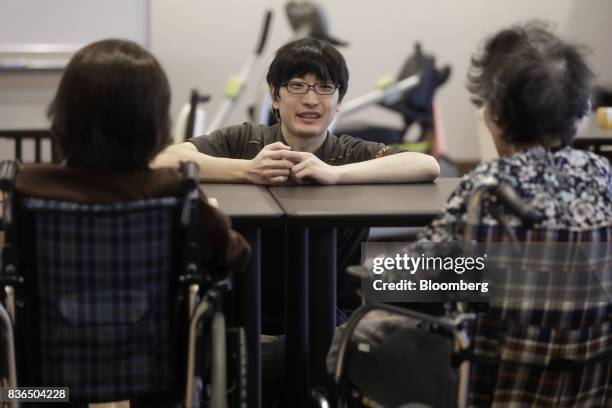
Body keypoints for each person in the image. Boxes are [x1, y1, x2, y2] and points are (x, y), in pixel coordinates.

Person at [328, 22, 612, 407]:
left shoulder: (489, 191)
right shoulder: (603, 176)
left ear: (495, 114)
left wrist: (371, 277)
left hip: (490, 387)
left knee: (347, 336)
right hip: (585, 386)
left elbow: (402, 283)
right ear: (577, 113)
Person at [14, 39, 250, 407]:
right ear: (155, 122)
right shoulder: (176, 192)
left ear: (62, 117)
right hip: (157, 376)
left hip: (48, 380)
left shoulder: (27, 191)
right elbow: (233, 254)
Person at [154, 38, 440, 331]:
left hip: (332, 315)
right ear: (275, 96)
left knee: (471, 275)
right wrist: (247, 170)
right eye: (297, 86)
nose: (311, 99)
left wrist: (336, 174)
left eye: (325, 87)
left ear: (339, 101)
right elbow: (165, 158)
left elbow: (427, 164)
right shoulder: (245, 140)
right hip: (247, 313)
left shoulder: (349, 152)